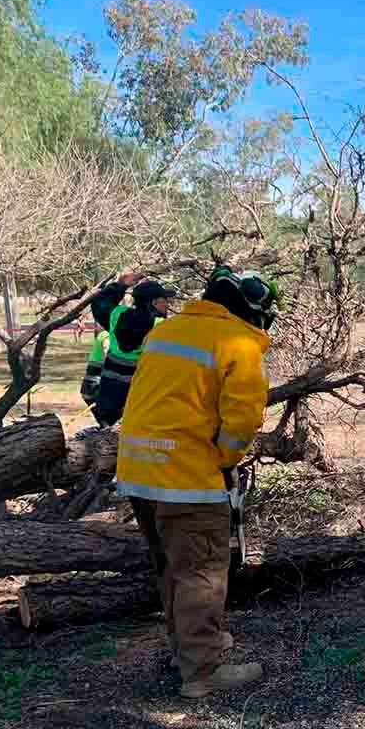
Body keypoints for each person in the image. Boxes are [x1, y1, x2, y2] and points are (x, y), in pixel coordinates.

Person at [116, 267, 278, 699]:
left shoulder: (168, 331)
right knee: (202, 574)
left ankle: (185, 649)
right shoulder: (239, 343)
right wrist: (224, 460)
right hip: (188, 476)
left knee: (171, 567)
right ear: (253, 312)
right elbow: (241, 423)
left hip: (137, 471)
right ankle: (202, 672)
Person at [90, 274, 178, 426]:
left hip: (108, 398)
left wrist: (121, 284)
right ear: (155, 302)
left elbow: (99, 302)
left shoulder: (117, 315)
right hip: (140, 403)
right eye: (165, 300)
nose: (168, 305)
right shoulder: (163, 327)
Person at [79, 329, 110, 421]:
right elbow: (106, 351)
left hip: (89, 388)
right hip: (95, 387)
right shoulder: (108, 336)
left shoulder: (103, 334)